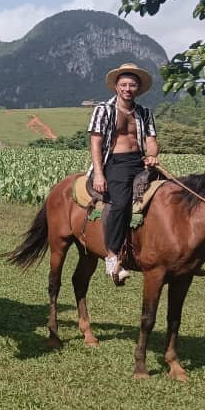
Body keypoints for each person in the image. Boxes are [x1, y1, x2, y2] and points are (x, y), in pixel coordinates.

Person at [87, 62, 160, 285]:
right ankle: (111, 257)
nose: (128, 88)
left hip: (140, 161)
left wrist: (152, 155)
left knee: (168, 195)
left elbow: (151, 140)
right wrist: (99, 174)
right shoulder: (104, 110)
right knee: (119, 204)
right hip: (115, 163)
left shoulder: (145, 113)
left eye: (132, 85)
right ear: (116, 87)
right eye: (124, 84)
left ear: (138, 88)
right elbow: (96, 143)